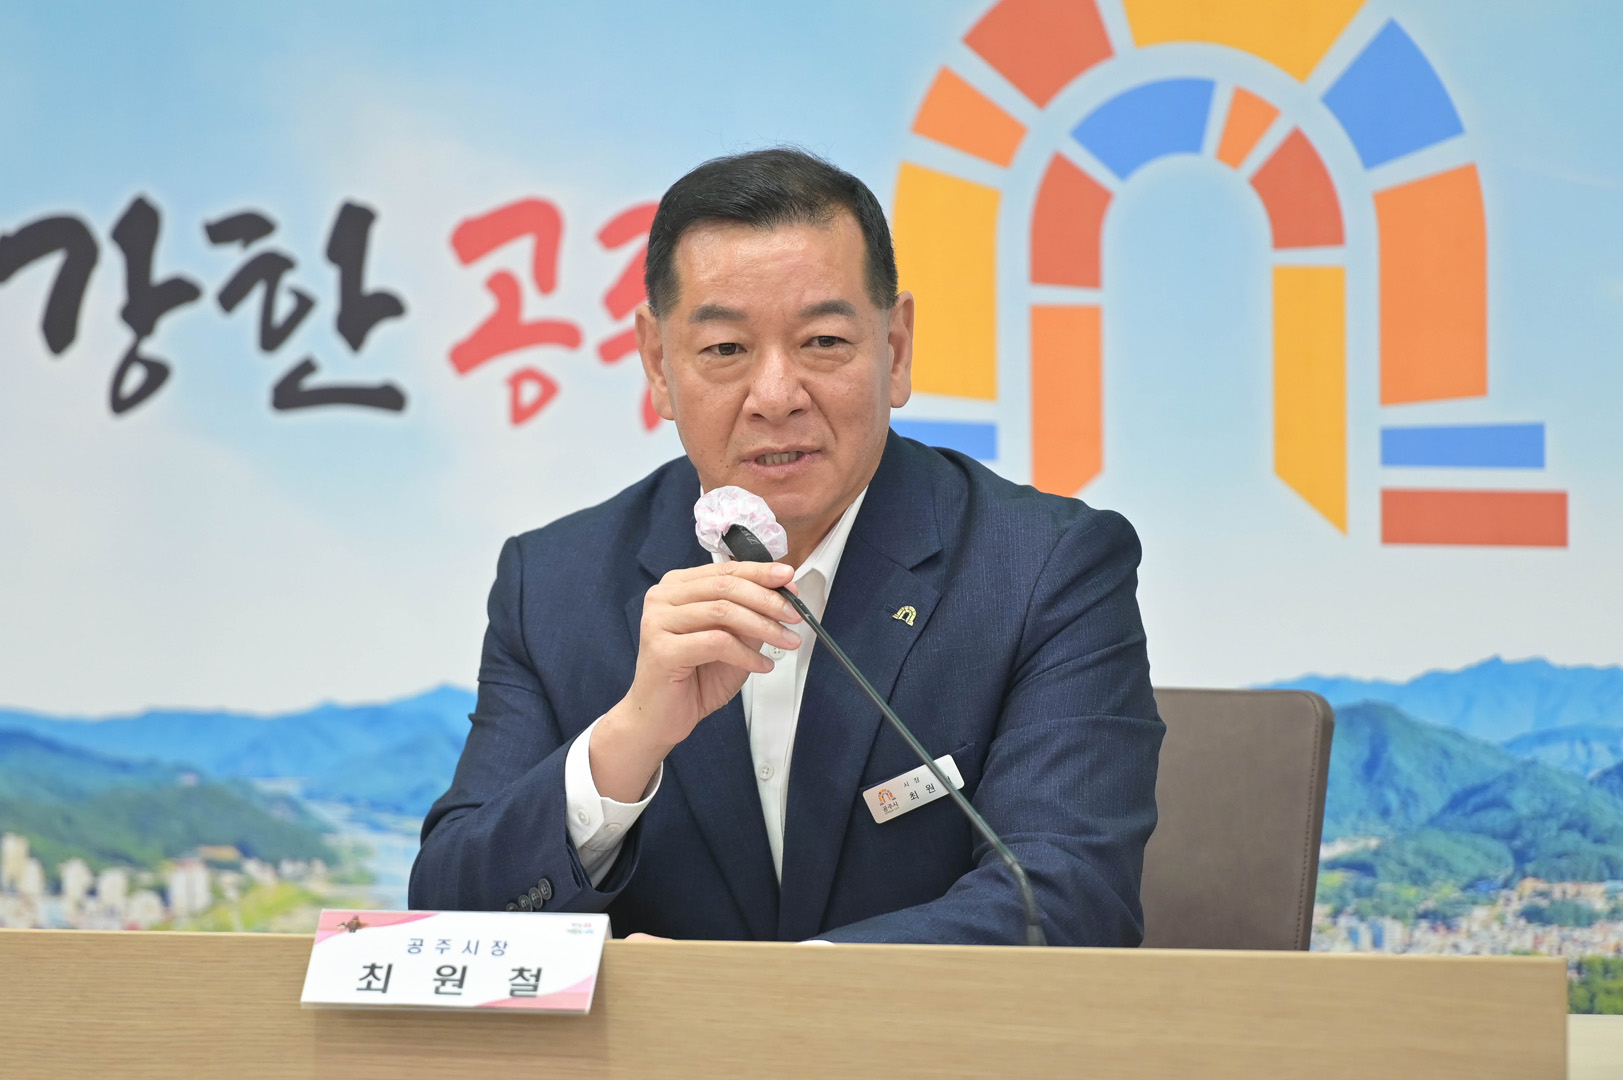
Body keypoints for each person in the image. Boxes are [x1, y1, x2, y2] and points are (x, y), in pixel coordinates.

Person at [409, 148, 1163, 945]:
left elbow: (1068, 899)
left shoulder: (1043, 568)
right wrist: (629, 739)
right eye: (725, 350)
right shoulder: (555, 585)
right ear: (658, 365)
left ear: (895, 347)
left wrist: (771, 997)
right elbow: (450, 920)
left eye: (823, 341)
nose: (775, 397)